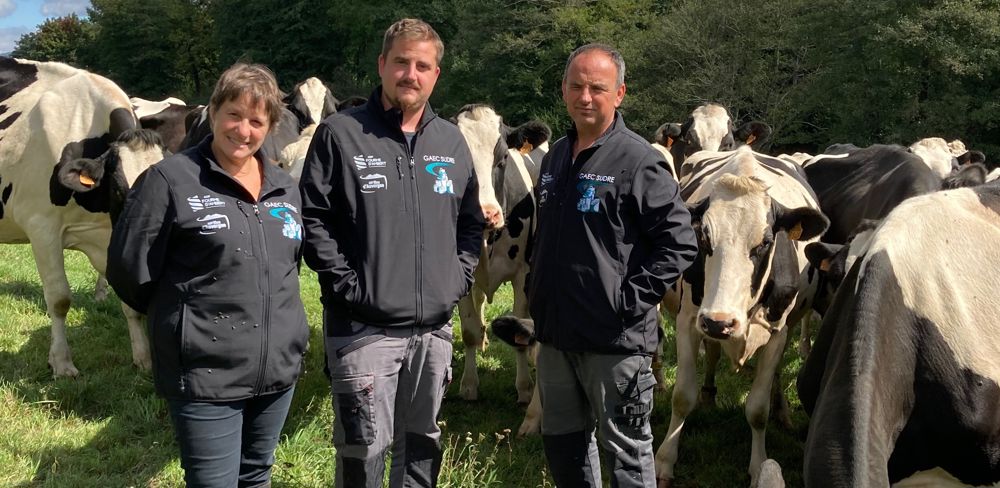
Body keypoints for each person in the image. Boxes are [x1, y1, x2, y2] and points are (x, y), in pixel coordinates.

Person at [298, 18, 485, 488]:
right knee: (363, 450)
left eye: (423, 65)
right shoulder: (340, 134)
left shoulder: (451, 141)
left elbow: (469, 222)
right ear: (382, 65)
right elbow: (313, 219)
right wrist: (351, 288)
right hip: (364, 332)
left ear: (436, 75)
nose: (411, 74)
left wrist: (456, 281)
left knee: (422, 443)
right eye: (401, 61)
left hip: (433, 332)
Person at [107, 63, 310, 488]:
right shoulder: (169, 180)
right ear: (213, 113)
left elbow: (291, 262)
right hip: (206, 374)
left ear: (270, 126)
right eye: (234, 115)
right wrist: (184, 322)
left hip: (276, 370)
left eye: (256, 121)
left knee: (256, 475)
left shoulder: (283, 186)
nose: (243, 130)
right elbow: (129, 268)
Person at [527, 44, 699, 488]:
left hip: (614, 340)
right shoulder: (555, 157)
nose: (586, 97)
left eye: (597, 88)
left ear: (619, 93)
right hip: (556, 336)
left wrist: (627, 300)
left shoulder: (640, 160)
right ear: (563, 91)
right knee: (564, 447)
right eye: (576, 86)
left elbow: (679, 243)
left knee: (625, 450)